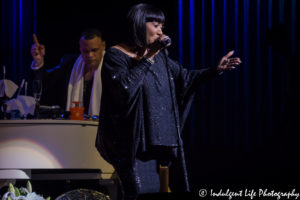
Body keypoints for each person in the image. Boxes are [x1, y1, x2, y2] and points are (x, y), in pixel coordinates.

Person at [95, 3, 241, 200]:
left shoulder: (162, 57)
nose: (160, 31)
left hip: (161, 141)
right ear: (139, 24)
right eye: (155, 25)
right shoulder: (116, 55)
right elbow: (124, 90)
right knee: (138, 193)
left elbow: (185, 78)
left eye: (162, 26)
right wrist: (149, 57)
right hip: (134, 143)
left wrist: (215, 70)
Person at [30, 28, 106, 116]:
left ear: (103, 46)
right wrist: (38, 61)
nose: (90, 55)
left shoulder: (113, 68)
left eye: (94, 50)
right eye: (85, 51)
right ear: (80, 48)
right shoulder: (71, 65)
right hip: (73, 125)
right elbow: (44, 85)